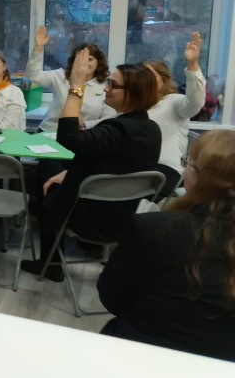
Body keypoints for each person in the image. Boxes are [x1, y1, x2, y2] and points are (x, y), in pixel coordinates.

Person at [21, 52, 162, 281]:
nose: (106, 88)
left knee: (47, 177)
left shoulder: (118, 129)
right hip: (126, 216)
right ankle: (50, 260)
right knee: (55, 170)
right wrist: (70, 173)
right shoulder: (151, 130)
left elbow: (67, 138)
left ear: (132, 93)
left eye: (112, 84)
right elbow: (113, 165)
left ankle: (50, 262)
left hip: (94, 218)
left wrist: (76, 87)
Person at [97, 130, 235, 362]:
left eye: (188, 162)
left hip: (137, 356)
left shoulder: (152, 228)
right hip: (221, 371)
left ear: (199, 177)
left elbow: (111, 297)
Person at [143, 31, 206, 196]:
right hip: (138, 169)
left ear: (164, 80)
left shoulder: (173, 101)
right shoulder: (135, 106)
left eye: (152, 75)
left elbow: (194, 103)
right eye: (142, 76)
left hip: (164, 172)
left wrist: (193, 64)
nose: (147, 79)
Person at [26, 26, 115, 131]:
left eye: (90, 59)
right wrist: (38, 48)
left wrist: (85, 124)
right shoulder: (60, 76)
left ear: (98, 62)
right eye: (80, 59)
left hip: (86, 134)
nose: (85, 63)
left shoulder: (105, 87)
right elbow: (33, 75)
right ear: (73, 61)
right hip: (50, 132)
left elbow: (108, 117)